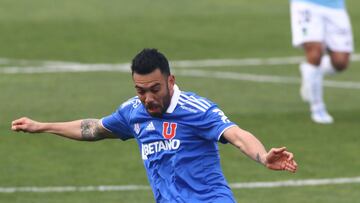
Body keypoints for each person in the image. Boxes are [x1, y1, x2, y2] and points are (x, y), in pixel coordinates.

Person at [11, 49, 297, 203]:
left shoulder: (194, 109)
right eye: (140, 90)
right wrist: (42, 126)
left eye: (154, 89)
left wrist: (262, 157)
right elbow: (94, 129)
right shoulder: (133, 112)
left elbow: (236, 135)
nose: (148, 98)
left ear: (171, 81)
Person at [290, 0, 354, 124]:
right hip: (306, 5)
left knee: (340, 62)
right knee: (315, 53)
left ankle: (310, 74)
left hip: (335, 6)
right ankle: (317, 108)